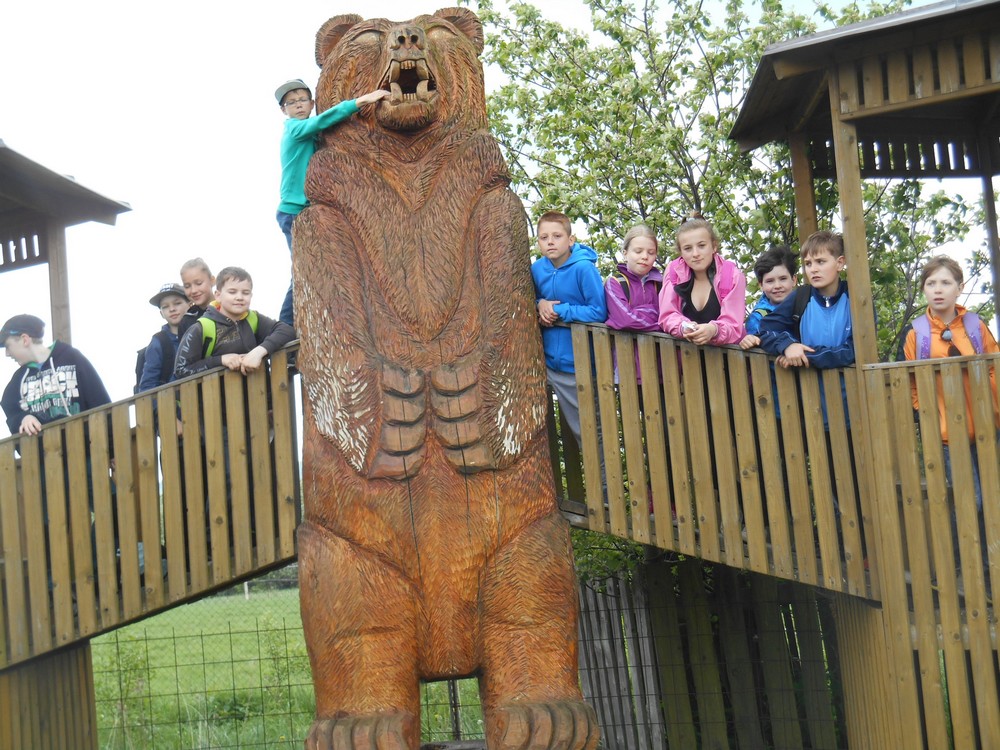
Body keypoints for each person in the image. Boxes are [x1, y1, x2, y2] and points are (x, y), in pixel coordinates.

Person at [899, 256, 998, 580]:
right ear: (924, 289)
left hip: (988, 429)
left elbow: (994, 366)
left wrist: (992, 410)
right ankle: (967, 570)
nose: (938, 289)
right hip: (946, 434)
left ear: (960, 288)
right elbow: (911, 383)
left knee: (992, 499)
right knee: (972, 501)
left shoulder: (975, 326)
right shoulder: (917, 334)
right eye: (931, 283)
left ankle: (991, 569)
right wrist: (927, 415)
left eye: (945, 282)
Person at [274, 78, 389, 327]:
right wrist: (359, 102)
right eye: (291, 103)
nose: (298, 105)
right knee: (303, 268)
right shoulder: (294, 129)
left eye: (302, 100)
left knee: (325, 264)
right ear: (284, 110)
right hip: (293, 211)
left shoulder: (312, 135)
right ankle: (285, 326)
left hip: (310, 210)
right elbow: (322, 120)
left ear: (312, 102)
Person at [531, 210, 607, 448]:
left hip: (578, 366)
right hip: (546, 365)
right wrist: (540, 304)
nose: (550, 242)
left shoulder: (584, 269)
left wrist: (560, 310)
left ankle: (603, 474)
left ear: (570, 240)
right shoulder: (537, 269)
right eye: (544, 237)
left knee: (589, 434)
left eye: (557, 236)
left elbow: (598, 312)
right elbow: (531, 299)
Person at [174, 266, 296, 379]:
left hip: (262, 393)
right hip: (216, 395)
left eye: (245, 293)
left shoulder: (253, 318)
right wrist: (221, 360)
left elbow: (287, 330)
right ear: (218, 296)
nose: (239, 297)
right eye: (232, 292)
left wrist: (259, 351)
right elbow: (181, 370)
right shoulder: (201, 328)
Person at [758, 230, 854, 370]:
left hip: (851, 382)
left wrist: (805, 356)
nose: (813, 269)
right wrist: (788, 345)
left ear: (839, 263)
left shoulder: (855, 299)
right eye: (808, 264)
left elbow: (853, 350)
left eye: (820, 262)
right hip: (807, 382)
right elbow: (766, 329)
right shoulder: (801, 297)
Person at [1, 314, 111, 436]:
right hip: (45, 447)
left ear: (25, 340)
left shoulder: (72, 358)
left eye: (8, 346)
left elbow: (100, 402)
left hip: (84, 444)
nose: (7, 354)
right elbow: (11, 412)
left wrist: (110, 443)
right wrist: (23, 418)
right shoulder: (18, 379)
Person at [658, 213, 746, 346]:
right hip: (686, 355)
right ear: (681, 252)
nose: (695, 254)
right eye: (688, 248)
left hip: (727, 356)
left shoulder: (732, 276)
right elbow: (667, 316)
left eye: (701, 245)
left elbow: (734, 325)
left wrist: (714, 330)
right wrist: (683, 327)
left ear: (714, 246)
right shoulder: (674, 274)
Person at [605, 224, 662, 333]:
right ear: (625, 254)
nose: (645, 256)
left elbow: (669, 318)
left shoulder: (661, 284)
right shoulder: (615, 283)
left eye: (651, 253)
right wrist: (657, 319)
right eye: (638, 251)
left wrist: (637, 312)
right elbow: (626, 321)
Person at [740, 244, 797, 350]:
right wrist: (749, 340)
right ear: (761, 285)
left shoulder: (807, 306)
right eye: (770, 281)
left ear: (794, 280)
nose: (777, 286)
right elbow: (754, 349)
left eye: (783, 279)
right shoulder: (757, 318)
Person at [137, 283, 188, 392]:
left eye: (177, 303)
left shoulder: (201, 331)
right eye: (165, 306)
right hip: (170, 401)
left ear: (190, 304)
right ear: (161, 313)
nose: (172, 309)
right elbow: (147, 386)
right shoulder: (158, 342)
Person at [178, 258, 216, 337]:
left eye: (199, 283)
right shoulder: (186, 321)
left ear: (212, 280)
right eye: (187, 286)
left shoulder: (229, 309)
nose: (193, 290)